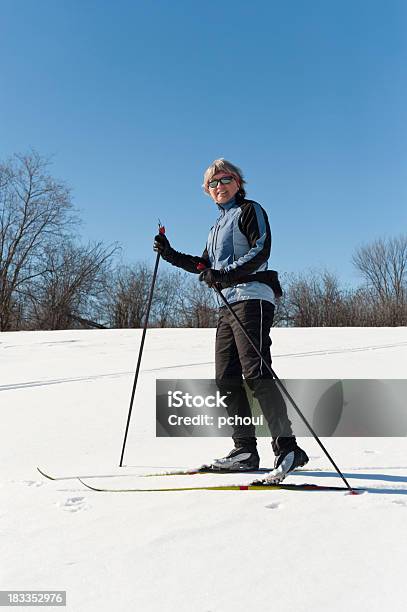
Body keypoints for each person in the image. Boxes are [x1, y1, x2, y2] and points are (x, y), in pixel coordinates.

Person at [153, 159, 308, 482]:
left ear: (238, 183)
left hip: (252, 297)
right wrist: (169, 253)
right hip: (226, 305)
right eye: (213, 183)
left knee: (256, 373)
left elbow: (261, 249)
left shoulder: (250, 210)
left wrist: (224, 274)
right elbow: (204, 266)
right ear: (208, 192)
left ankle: (288, 448)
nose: (219, 186)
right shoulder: (216, 228)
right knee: (226, 379)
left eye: (225, 179)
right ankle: (244, 451)